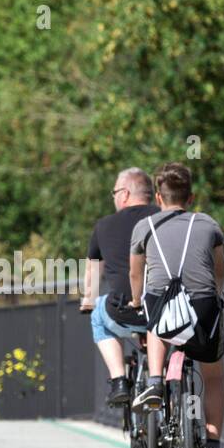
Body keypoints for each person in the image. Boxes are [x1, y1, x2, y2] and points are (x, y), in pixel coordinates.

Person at [128, 162, 224, 448]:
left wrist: (136, 301)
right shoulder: (209, 225)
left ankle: (156, 383)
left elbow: (136, 273)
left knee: (155, 318)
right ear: (191, 197)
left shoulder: (144, 227)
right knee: (213, 377)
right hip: (202, 309)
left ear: (158, 197)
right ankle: (213, 447)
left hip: (163, 309)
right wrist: (216, 293)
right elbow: (219, 271)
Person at [79, 168, 160, 406]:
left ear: (124, 194)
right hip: (164, 311)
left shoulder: (104, 226)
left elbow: (93, 272)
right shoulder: (164, 218)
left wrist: (88, 300)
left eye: (114, 192)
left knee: (98, 313)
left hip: (124, 312)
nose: (113, 197)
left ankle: (119, 381)